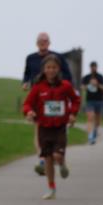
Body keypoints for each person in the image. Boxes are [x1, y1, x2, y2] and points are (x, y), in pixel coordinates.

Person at [23, 54, 80, 200]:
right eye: (48, 67)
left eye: (54, 67)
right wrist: (29, 112)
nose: (51, 70)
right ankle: (51, 188)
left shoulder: (65, 86)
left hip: (60, 127)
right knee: (48, 158)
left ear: (58, 69)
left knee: (56, 155)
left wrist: (73, 114)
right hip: (44, 127)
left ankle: (61, 164)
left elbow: (75, 100)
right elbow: (27, 103)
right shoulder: (38, 87)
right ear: (43, 69)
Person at [22, 33, 72, 175]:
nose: (43, 43)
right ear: (36, 43)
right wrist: (25, 83)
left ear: (49, 42)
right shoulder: (30, 58)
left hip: (57, 97)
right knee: (38, 130)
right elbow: (26, 74)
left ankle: (61, 160)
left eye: (45, 41)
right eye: (40, 41)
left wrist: (66, 90)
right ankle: (42, 159)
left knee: (59, 133)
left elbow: (68, 75)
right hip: (39, 97)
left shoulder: (58, 57)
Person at [80, 61, 103, 144]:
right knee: (90, 117)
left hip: (99, 100)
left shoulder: (101, 77)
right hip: (89, 101)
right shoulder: (86, 77)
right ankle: (90, 136)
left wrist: (97, 84)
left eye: (94, 66)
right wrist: (89, 85)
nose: (93, 68)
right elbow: (82, 87)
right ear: (90, 67)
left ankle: (95, 131)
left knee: (97, 120)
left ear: (96, 67)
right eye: (92, 67)